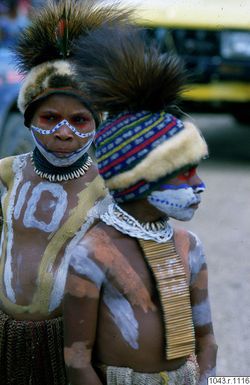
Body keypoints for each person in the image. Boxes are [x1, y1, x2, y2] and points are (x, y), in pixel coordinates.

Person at [63, 25, 218, 385]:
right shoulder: (91, 254)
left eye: (196, 171)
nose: (199, 186)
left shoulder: (190, 247)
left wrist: (208, 378)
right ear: (135, 180)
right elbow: (77, 361)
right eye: (182, 173)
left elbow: (207, 339)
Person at [0, 1, 131, 384]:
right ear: (28, 118)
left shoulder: (107, 186)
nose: (63, 132)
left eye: (79, 120)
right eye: (49, 118)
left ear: (97, 123)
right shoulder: (7, 174)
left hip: (71, 340)